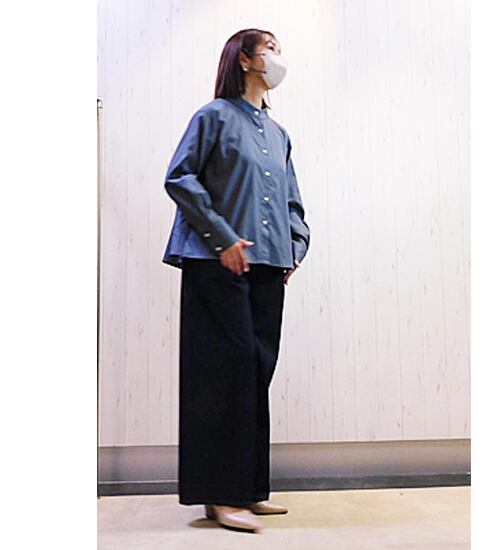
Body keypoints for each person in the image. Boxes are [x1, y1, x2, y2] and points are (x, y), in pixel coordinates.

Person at [162, 28, 310, 533]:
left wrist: (296, 246)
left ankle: (246, 490)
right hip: (216, 262)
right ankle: (220, 495)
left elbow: (292, 201)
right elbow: (180, 177)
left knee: (255, 372)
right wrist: (222, 238)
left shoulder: (278, 133)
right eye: (270, 49)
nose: (277, 58)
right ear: (245, 60)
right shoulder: (213, 117)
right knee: (222, 376)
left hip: (268, 265)